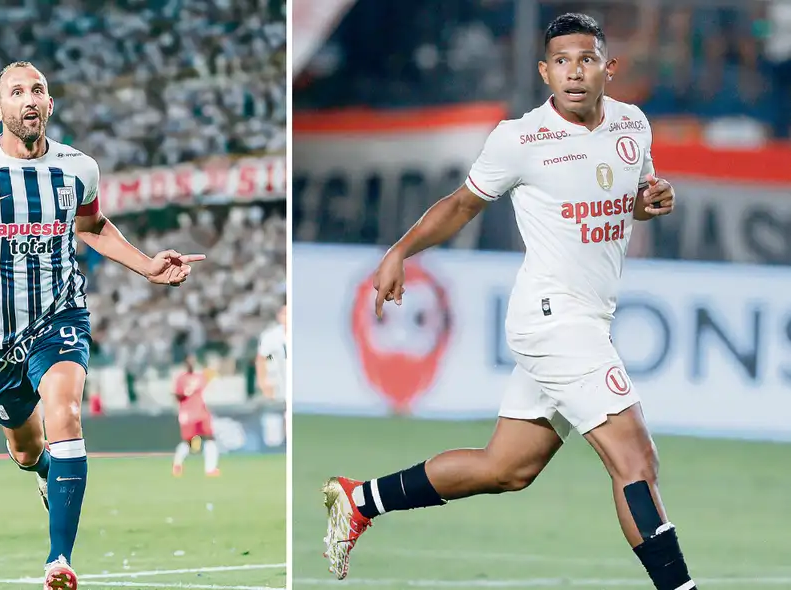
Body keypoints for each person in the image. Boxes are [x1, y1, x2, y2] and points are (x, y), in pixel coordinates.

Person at [321, 14, 696, 590]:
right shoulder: (520, 138)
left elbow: (634, 199)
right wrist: (401, 250)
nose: (575, 72)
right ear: (545, 71)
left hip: (588, 316)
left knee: (507, 467)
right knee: (636, 463)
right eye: (563, 62)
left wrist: (651, 200)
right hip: (554, 318)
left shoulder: (633, 125)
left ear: (608, 68)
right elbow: (460, 205)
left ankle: (361, 499)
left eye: (587, 59)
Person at [0, 61, 205, 590]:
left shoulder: (78, 168)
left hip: (59, 317)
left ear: (50, 104)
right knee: (25, 450)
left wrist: (147, 266)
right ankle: (47, 474)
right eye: (17, 92)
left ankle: (58, 560)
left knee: (65, 412)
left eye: (37, 90)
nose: (29, 99)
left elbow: (91, 226)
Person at [171, 355, 220, 477]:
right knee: (189, 442)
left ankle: (210, 469)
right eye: (189, 362)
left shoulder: (200, 377)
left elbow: (212, 373)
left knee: (209, 438)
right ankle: (177, 464)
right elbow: (177, 396)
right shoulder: (181, 379)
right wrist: (184, 394)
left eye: (193, 361)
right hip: (188, 414)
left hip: (201, 413)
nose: (191, 364)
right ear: (185, 364)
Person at [255, 304, 286, 400]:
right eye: (285, 314)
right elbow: (261, 359)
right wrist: (263, 383)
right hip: (280, 387)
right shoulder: (271, 336)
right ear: (279, 316)